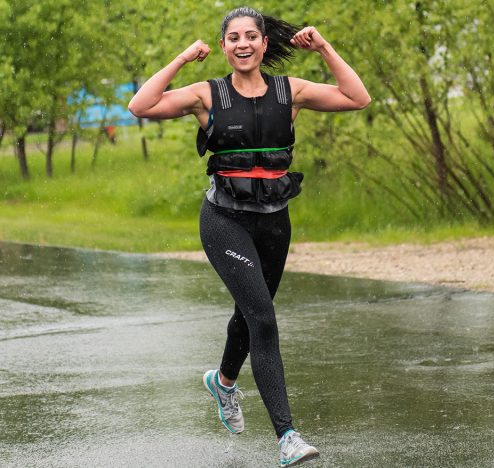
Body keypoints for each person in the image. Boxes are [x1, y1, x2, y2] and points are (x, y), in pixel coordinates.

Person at [128, 6, 370, 466]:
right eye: (233, 37)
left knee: (250, 313)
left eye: (251, 37)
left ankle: (222, 383)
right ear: (223, 47)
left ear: (262, 45)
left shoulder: (291, 92)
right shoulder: (206, 95)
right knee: (263, 320)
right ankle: (287, 436)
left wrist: (322, 47)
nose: (242, 44)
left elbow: (357, 97)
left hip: (275, 222)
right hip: (224, 220)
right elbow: (140, 106)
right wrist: (180, 59)